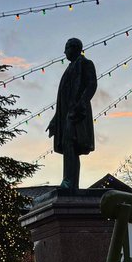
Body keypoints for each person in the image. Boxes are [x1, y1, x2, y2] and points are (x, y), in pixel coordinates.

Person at [47, 37, 97, 190]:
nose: (65, 51)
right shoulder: (69, 68)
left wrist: (80, 104)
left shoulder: (85, 64)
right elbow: (62, 98)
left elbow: (91, 85)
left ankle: (69, 181)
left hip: (77, 113)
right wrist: (55, 119)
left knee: (71, 144)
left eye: (67, 47)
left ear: (75, 48)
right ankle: (69, 181)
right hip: (65, 114)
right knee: (69, 146)